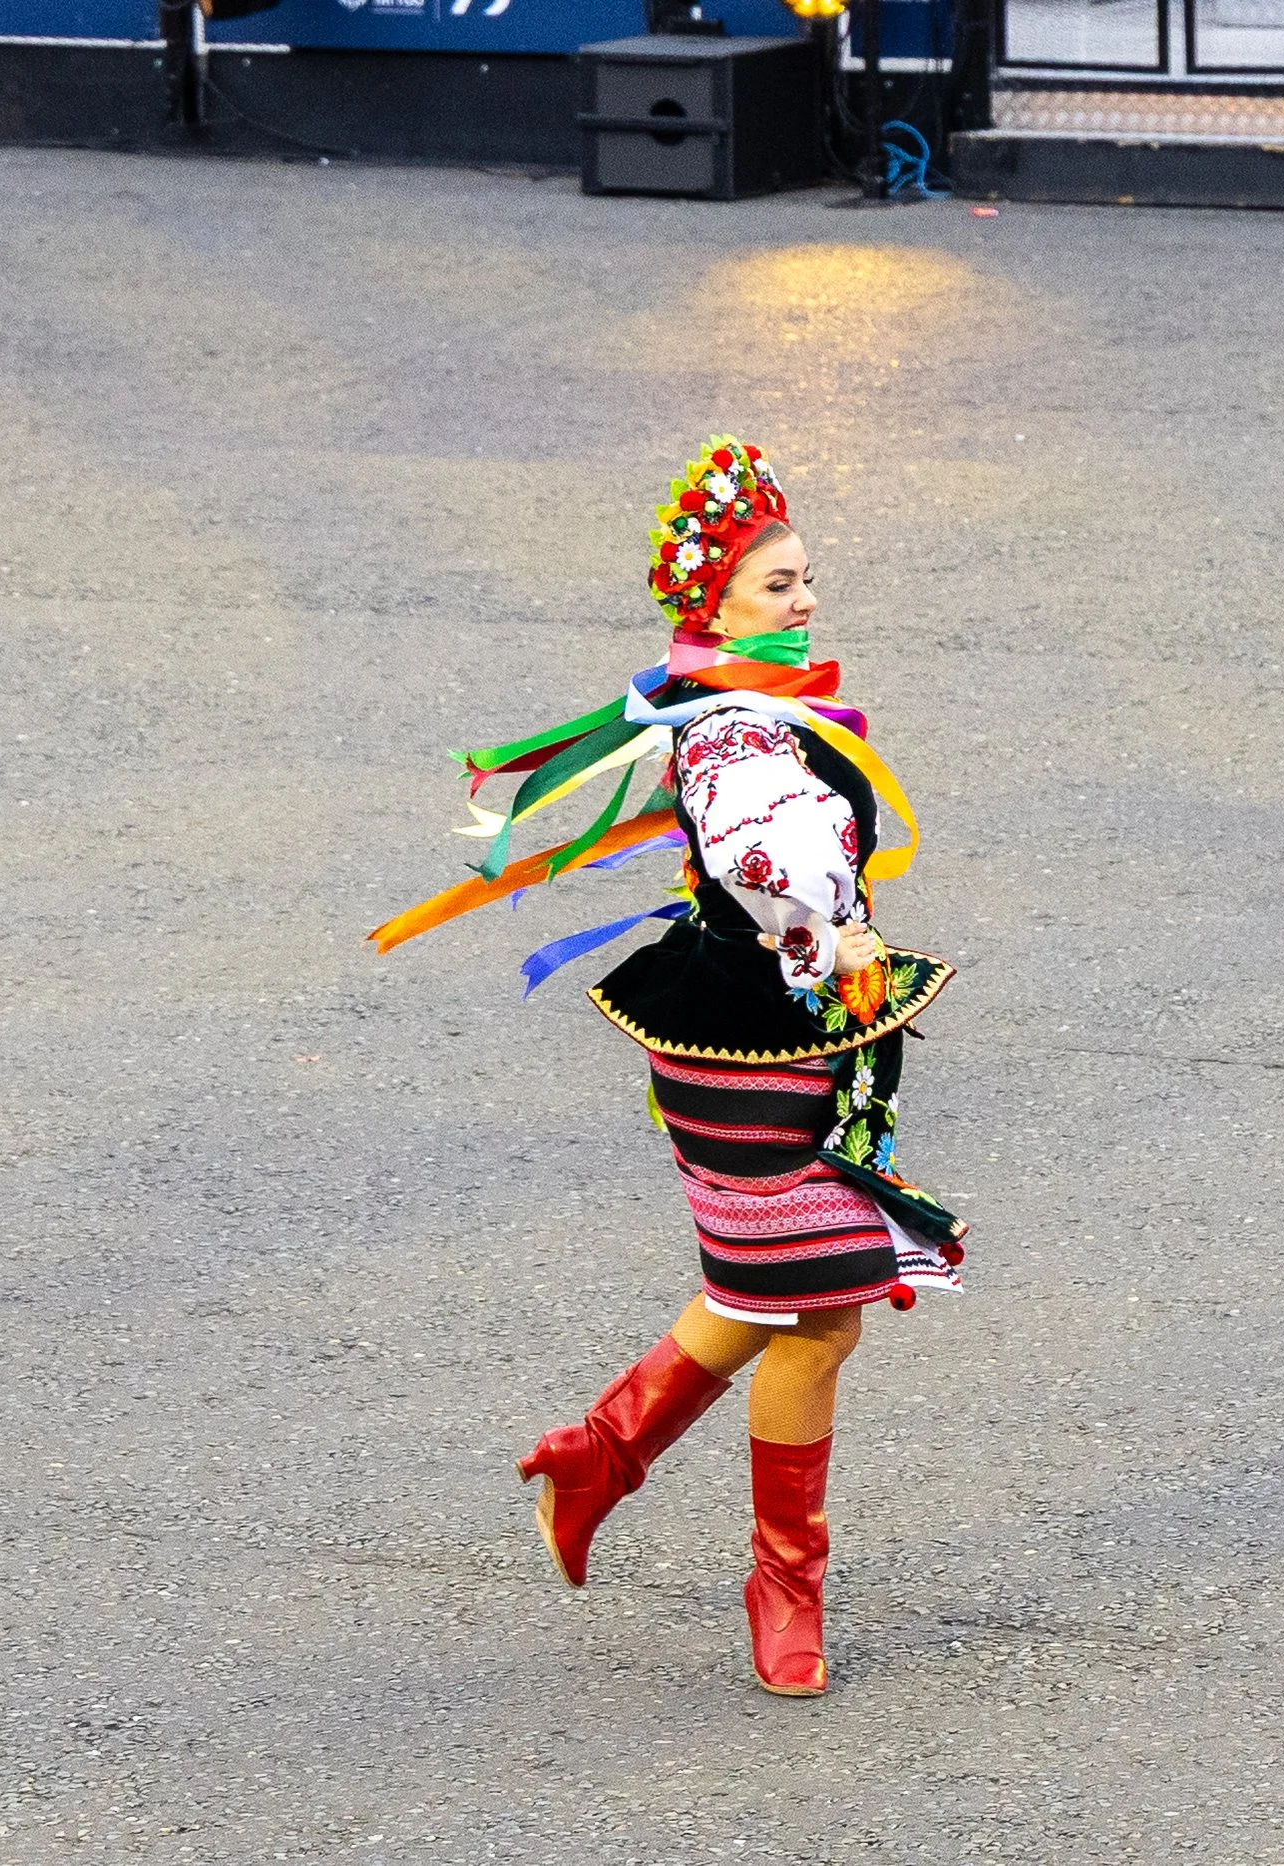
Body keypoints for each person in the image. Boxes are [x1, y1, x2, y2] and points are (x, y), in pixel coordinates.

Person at [371, 437, 968, 1697]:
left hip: (771, 1030)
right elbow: (771, 855)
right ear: (711, 604)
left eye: (806, 579)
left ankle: (606, 1460)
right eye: (775, 586)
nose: (802, 602)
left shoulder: (730, 707)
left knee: (792, 1299)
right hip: (757, 1044)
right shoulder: (738, 732)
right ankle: (777, 1578)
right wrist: (833, 922)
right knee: (814, 1308)